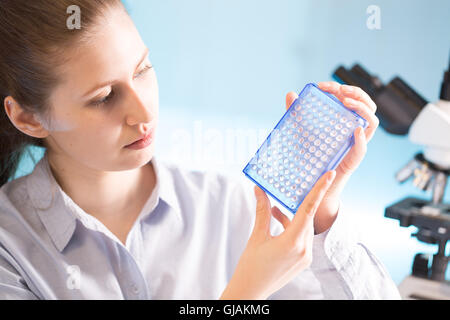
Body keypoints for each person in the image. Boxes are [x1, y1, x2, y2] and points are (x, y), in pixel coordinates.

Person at [0, 0, 400, 299]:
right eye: (104, 97)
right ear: (29, 118)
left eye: (142, 70)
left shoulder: (232, 207)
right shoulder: (9, 247)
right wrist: (244, 293)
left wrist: (323, 217)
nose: (143, 112)